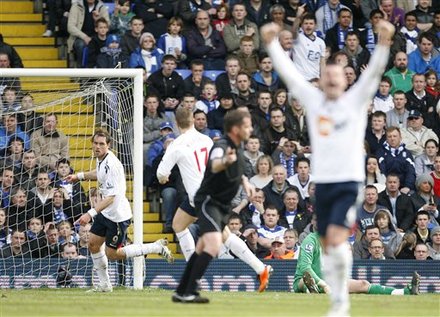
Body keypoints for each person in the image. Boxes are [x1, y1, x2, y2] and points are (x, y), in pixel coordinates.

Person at [261, 20, 395, 316]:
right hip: (322, 184)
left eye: (337, 77)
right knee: (328, 242)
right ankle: (338, 300)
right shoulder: (314, 101)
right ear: (322, 80)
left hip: (348, 182)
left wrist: (384, 43)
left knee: (336, 236)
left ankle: (340, 305)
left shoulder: (355, 100)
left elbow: (373, 73)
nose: (333, 81)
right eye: (328, 77)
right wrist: (271, 44)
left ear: (345, 81)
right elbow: (291, 76)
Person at [172, 110, 272, 303]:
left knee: (201, 247)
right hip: (209, 202)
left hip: (221, 206)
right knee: (213, 243)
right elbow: (216, 163)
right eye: (247, 126)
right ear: (235, 129)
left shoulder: (236, 147)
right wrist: (225, 161)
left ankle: (182, 291)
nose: (251, 129)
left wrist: (245, 183)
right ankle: (189, 292)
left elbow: (236, 170)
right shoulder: (222, 145)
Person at [66, 129, 173, 292]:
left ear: (108, 145)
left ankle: (155, 247)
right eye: (95, 143)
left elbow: (111, 197)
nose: (98, 147)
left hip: (117, 216)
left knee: (113, 254)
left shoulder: (113, 164)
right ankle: (104, 285)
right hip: (106, 212)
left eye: (102, 144)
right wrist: (79, 176)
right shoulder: (101, 159)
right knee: (93, 245)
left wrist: (90, 213)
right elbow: (99, 174)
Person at [293, 231, 420, 295]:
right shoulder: (310, 240)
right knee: (305, 280)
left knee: (363, 284)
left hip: (331, 281)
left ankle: (405, 292)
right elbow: (305, 267)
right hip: (310, 281)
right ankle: (311, 288)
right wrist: (324, 285)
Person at [67, 0, 109, 67]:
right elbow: (70, 27)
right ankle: (81, 71)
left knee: (108, 44)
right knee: (81, 45)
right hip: (80, 37)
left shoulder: (102, 7)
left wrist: (97, 19)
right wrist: (85, 37)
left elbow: (107, 25)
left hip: (98, 37)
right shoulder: (76, 6)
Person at [377, 127, 416, 193]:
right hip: (386, 186)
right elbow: (382, 171)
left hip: (404, 187)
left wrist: (407, 186)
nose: (392, 138)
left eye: (395, 136)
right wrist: (388, 186)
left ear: (400, 137)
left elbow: (411, 171)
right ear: (386, 138)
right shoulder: (380, 153)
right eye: (389, 136)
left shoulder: (407, 153)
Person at [291, 9, 326, 81]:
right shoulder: (298, 38)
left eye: (311, 23)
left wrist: (323, 80)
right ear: (302, 25)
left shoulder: (321, 42)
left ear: (315, 26)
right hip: (300, 80)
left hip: (315, 81)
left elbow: (322, 64)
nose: (308, 26)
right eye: (306, 23)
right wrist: (298, 17)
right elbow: (294, 31)